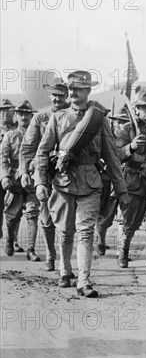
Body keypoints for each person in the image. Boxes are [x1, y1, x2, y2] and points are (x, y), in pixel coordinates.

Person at [35, 70, 129, 297]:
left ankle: (84, 280)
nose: (74, 92)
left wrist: (121, 188)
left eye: (79, 88)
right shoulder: (58, 118)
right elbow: (42, 152)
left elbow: (112, 157)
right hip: (63, 180)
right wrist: (40, 182)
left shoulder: (99, 120)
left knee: (86, 232)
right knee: (65, 231)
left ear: (88, 91)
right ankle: (65, 270)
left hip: (90, 181)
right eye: (71, 88)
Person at [19, 79, 70, 270]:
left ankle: (65, 262)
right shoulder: (40, 117)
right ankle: (51, 252)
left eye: (61, 94)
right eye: (54, 94)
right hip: (44, 172)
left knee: (67, 218)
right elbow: (28, 147)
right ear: (49, 95)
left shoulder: (74, 116)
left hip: (68, 172)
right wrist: (24, 171)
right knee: (46, 217)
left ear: (67, 95)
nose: (57, 98)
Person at [115, 90, 146, 273]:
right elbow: (116, 156)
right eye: (142, 108)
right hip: (133, 181)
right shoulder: (126, 129)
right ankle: (123, 251)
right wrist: (131, 147)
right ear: (135, 110)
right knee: (130, 223)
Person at [1, 100, 38, 258]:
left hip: (32, 179)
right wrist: (4, 178)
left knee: (33, 212)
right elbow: (2, 159)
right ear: (16, 116)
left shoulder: (38, 135)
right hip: (15, 179)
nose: (24, 117)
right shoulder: (10, 136)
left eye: (27, 114)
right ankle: (10, 241)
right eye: (21, 114)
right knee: (12, 214)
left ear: (31, 116)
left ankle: (31, 250)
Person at [95, 107, 129, 256]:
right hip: (105, 180)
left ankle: (122, 250)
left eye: (124, 122)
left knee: (123, 218)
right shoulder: (104, 136)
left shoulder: (128, 137)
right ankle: (101, 239)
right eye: (118, 122)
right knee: (105, 215)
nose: (120, 125)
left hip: (124, 180)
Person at [0, 99, 16, 242]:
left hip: (14, 174)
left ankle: (13, 239)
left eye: (8, 110)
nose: (5, 113)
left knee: (15, 207)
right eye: (2, 110)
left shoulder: (18, 130)